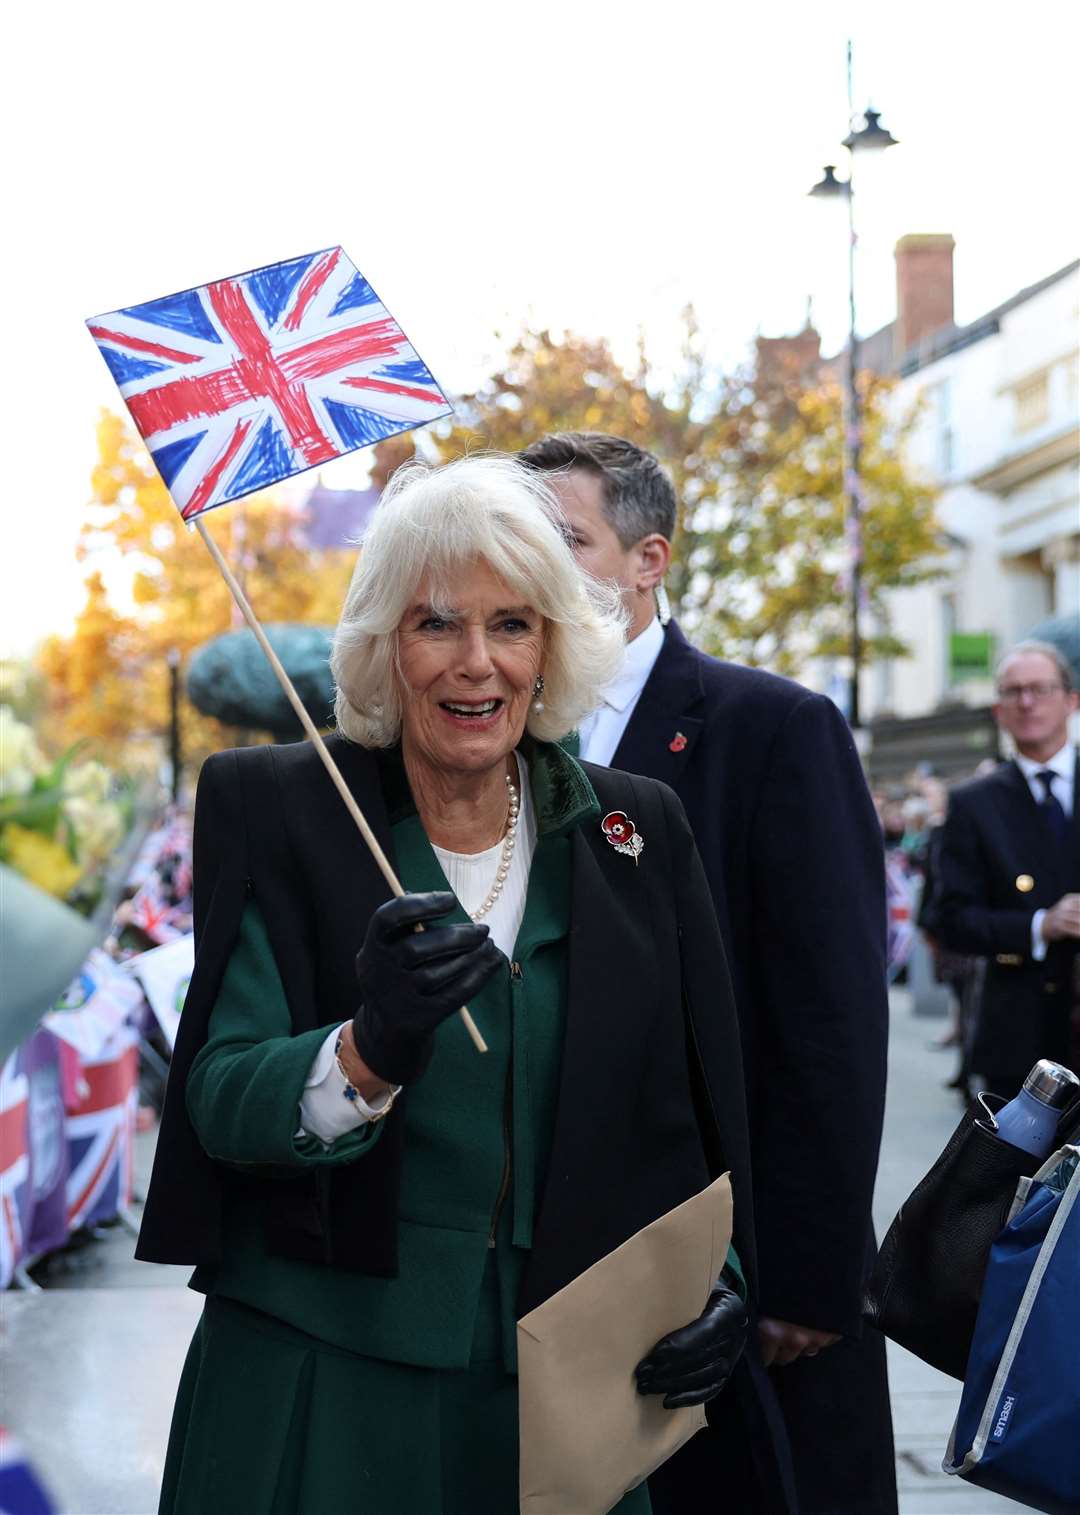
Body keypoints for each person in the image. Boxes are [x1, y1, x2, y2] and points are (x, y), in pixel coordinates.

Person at [135, 455, 781, 1515]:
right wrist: (364, 1053)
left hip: (569, 1386)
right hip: (323, 1378)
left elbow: (686, 1111)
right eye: (436, 624)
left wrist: (721, 1283)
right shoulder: (282, 807)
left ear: (555, 647)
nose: (475, 663)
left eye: (513, 625)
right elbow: (220, 1095)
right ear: (385, 648)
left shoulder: (636, 830)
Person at [521, 432, 895, 1515]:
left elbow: (829, 1022)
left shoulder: (775, 728)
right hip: (564, 1261)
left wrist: (810, 1280)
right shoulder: (494, 731)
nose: (535, 564)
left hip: (739, 1268)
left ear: (649, 560)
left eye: (566, 539)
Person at [935, 640, 1080, 1098]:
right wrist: (1039, 925)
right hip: (1020, 1041)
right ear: (998, 709)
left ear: (1071, 700)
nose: (1027, 701)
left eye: (1040, 688)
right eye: (1013, 691)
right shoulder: (973, 803)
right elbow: (951, 918)